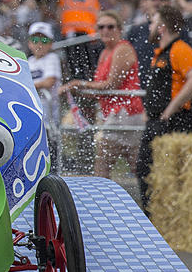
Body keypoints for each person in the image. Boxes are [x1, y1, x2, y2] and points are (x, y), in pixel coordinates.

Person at [136, 5, 192, 214]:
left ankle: (159, 218)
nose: (150, 25)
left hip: (175, 121)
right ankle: (156, 217)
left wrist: (169, 110)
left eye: (153, 21)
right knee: (147, 170)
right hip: (159, 121)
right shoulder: (161, 53)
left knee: (156, 170)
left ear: (162, 27)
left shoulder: (179, 49)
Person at [60, 11, 144, 180]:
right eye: (101, 27)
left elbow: (111, 85)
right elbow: (101, 91)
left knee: (103, 162)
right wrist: (77, 90)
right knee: (134, 164)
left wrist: (80, 84)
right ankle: (146, 198)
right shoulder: (106, 52)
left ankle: (102, 198)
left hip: (125, 112)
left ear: (119, 29)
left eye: (110, 26)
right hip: (115, 113)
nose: (105, 30)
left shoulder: (123, 49)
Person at [125, 0, 170, 90]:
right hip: (139, 92)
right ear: (145, 2)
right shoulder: (135, 30)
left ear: (169, 2)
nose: (157, 1)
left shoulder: (178, 30)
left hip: (167, 93)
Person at [26, 21, 62, 161]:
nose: (39, 44)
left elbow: (49, 81)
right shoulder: (29, 61)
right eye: (35, 40)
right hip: (34, 116)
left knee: (49, 156)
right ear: (29, 43)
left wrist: (29, 85)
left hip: (49, 120)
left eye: (44, 40)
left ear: (50, 43)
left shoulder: (52, 58)